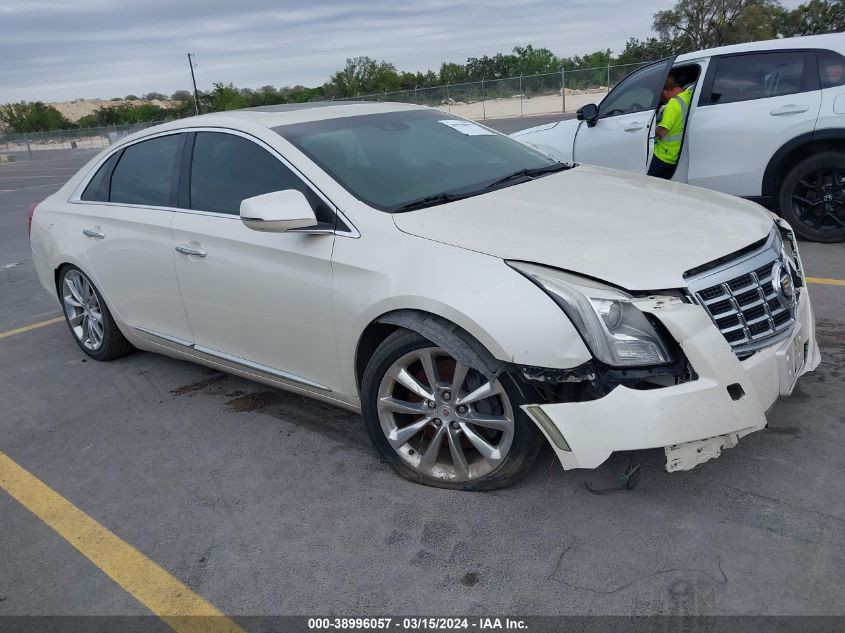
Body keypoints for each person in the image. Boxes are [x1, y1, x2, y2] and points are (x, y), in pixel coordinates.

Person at [648, 72, 694, 180]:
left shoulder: (673, 104)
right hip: (677, 154)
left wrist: (652, 126)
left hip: (664, 155)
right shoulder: (688, 96)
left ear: (664, 92)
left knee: (647, 182)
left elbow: (662, 132)